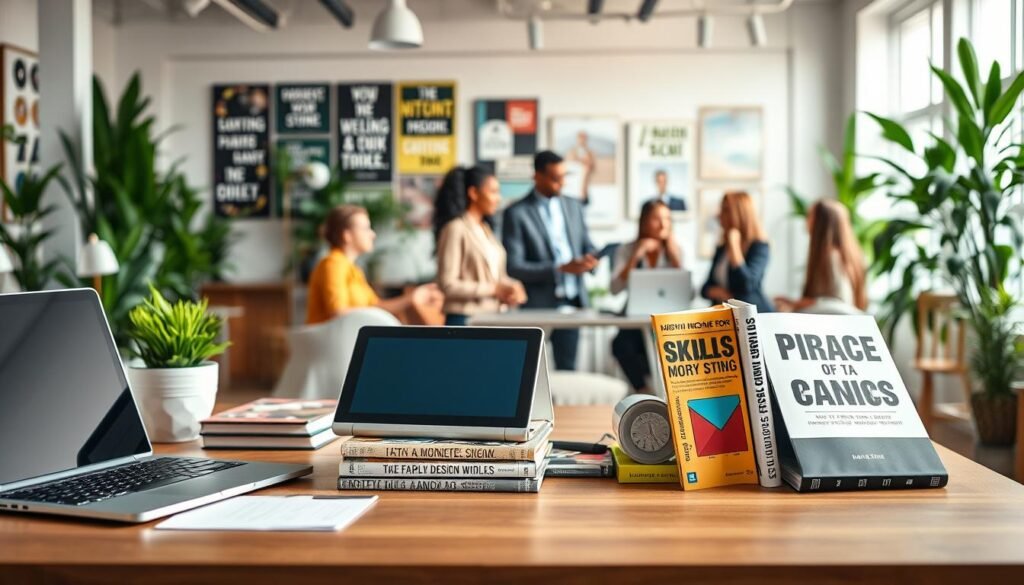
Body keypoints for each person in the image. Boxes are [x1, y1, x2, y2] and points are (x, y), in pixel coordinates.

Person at [503, 151, 598, 370]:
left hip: (573, 303)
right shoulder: (516, 213)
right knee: (528, 372)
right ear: (537, 176)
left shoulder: (574, 206)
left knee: (568, 370)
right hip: (537, 306)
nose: (562, 183)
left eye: (564, 177)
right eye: (556, 178)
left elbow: (586, 245)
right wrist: (560, 269)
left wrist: (591, 259)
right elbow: (515, 267)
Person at [306, 204, 441, 325]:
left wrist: (412, 298)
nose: (373, 234)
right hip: (333, 344)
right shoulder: (333, 264)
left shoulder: (353, 270)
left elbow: (377, 306)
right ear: (347, 235)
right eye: (366, 228)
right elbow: (338, 312)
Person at [433, 165, 527, 326]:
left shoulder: (486, 230)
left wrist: (511, 287)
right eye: (493, 192)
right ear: (474, 193)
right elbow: (447, 284)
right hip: (464, 320)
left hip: (490, 319)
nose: (498, 198)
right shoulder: (455, 228)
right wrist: (494, 289)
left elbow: (494, 276)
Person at [611, 199, 683, 393]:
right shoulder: (626, 249)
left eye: (667, 219)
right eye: (657, 219)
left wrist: (676, 259)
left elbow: (689, 293)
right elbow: (615, 288)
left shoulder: (676, 250)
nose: (663, 224)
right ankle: (645, 392)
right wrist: (636, 255)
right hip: (636, 318)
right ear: (644, 222)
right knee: (621, 345)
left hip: (667, 320)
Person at [774, 199, 867, 313]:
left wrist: (796, 304)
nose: (806, 221)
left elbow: (837, 302)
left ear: (821, 222)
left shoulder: (831, 256)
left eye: (809, 216)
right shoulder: (844, 254)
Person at [700, 191, 774, 313]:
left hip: (752, 316)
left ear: (739, 213)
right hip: (723, 316)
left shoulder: (760, 246)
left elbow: (747, 285)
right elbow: (705, 288)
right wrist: (719, 293)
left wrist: (734, 246)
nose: (718, 215)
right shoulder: (722, 248)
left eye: (725, 210)